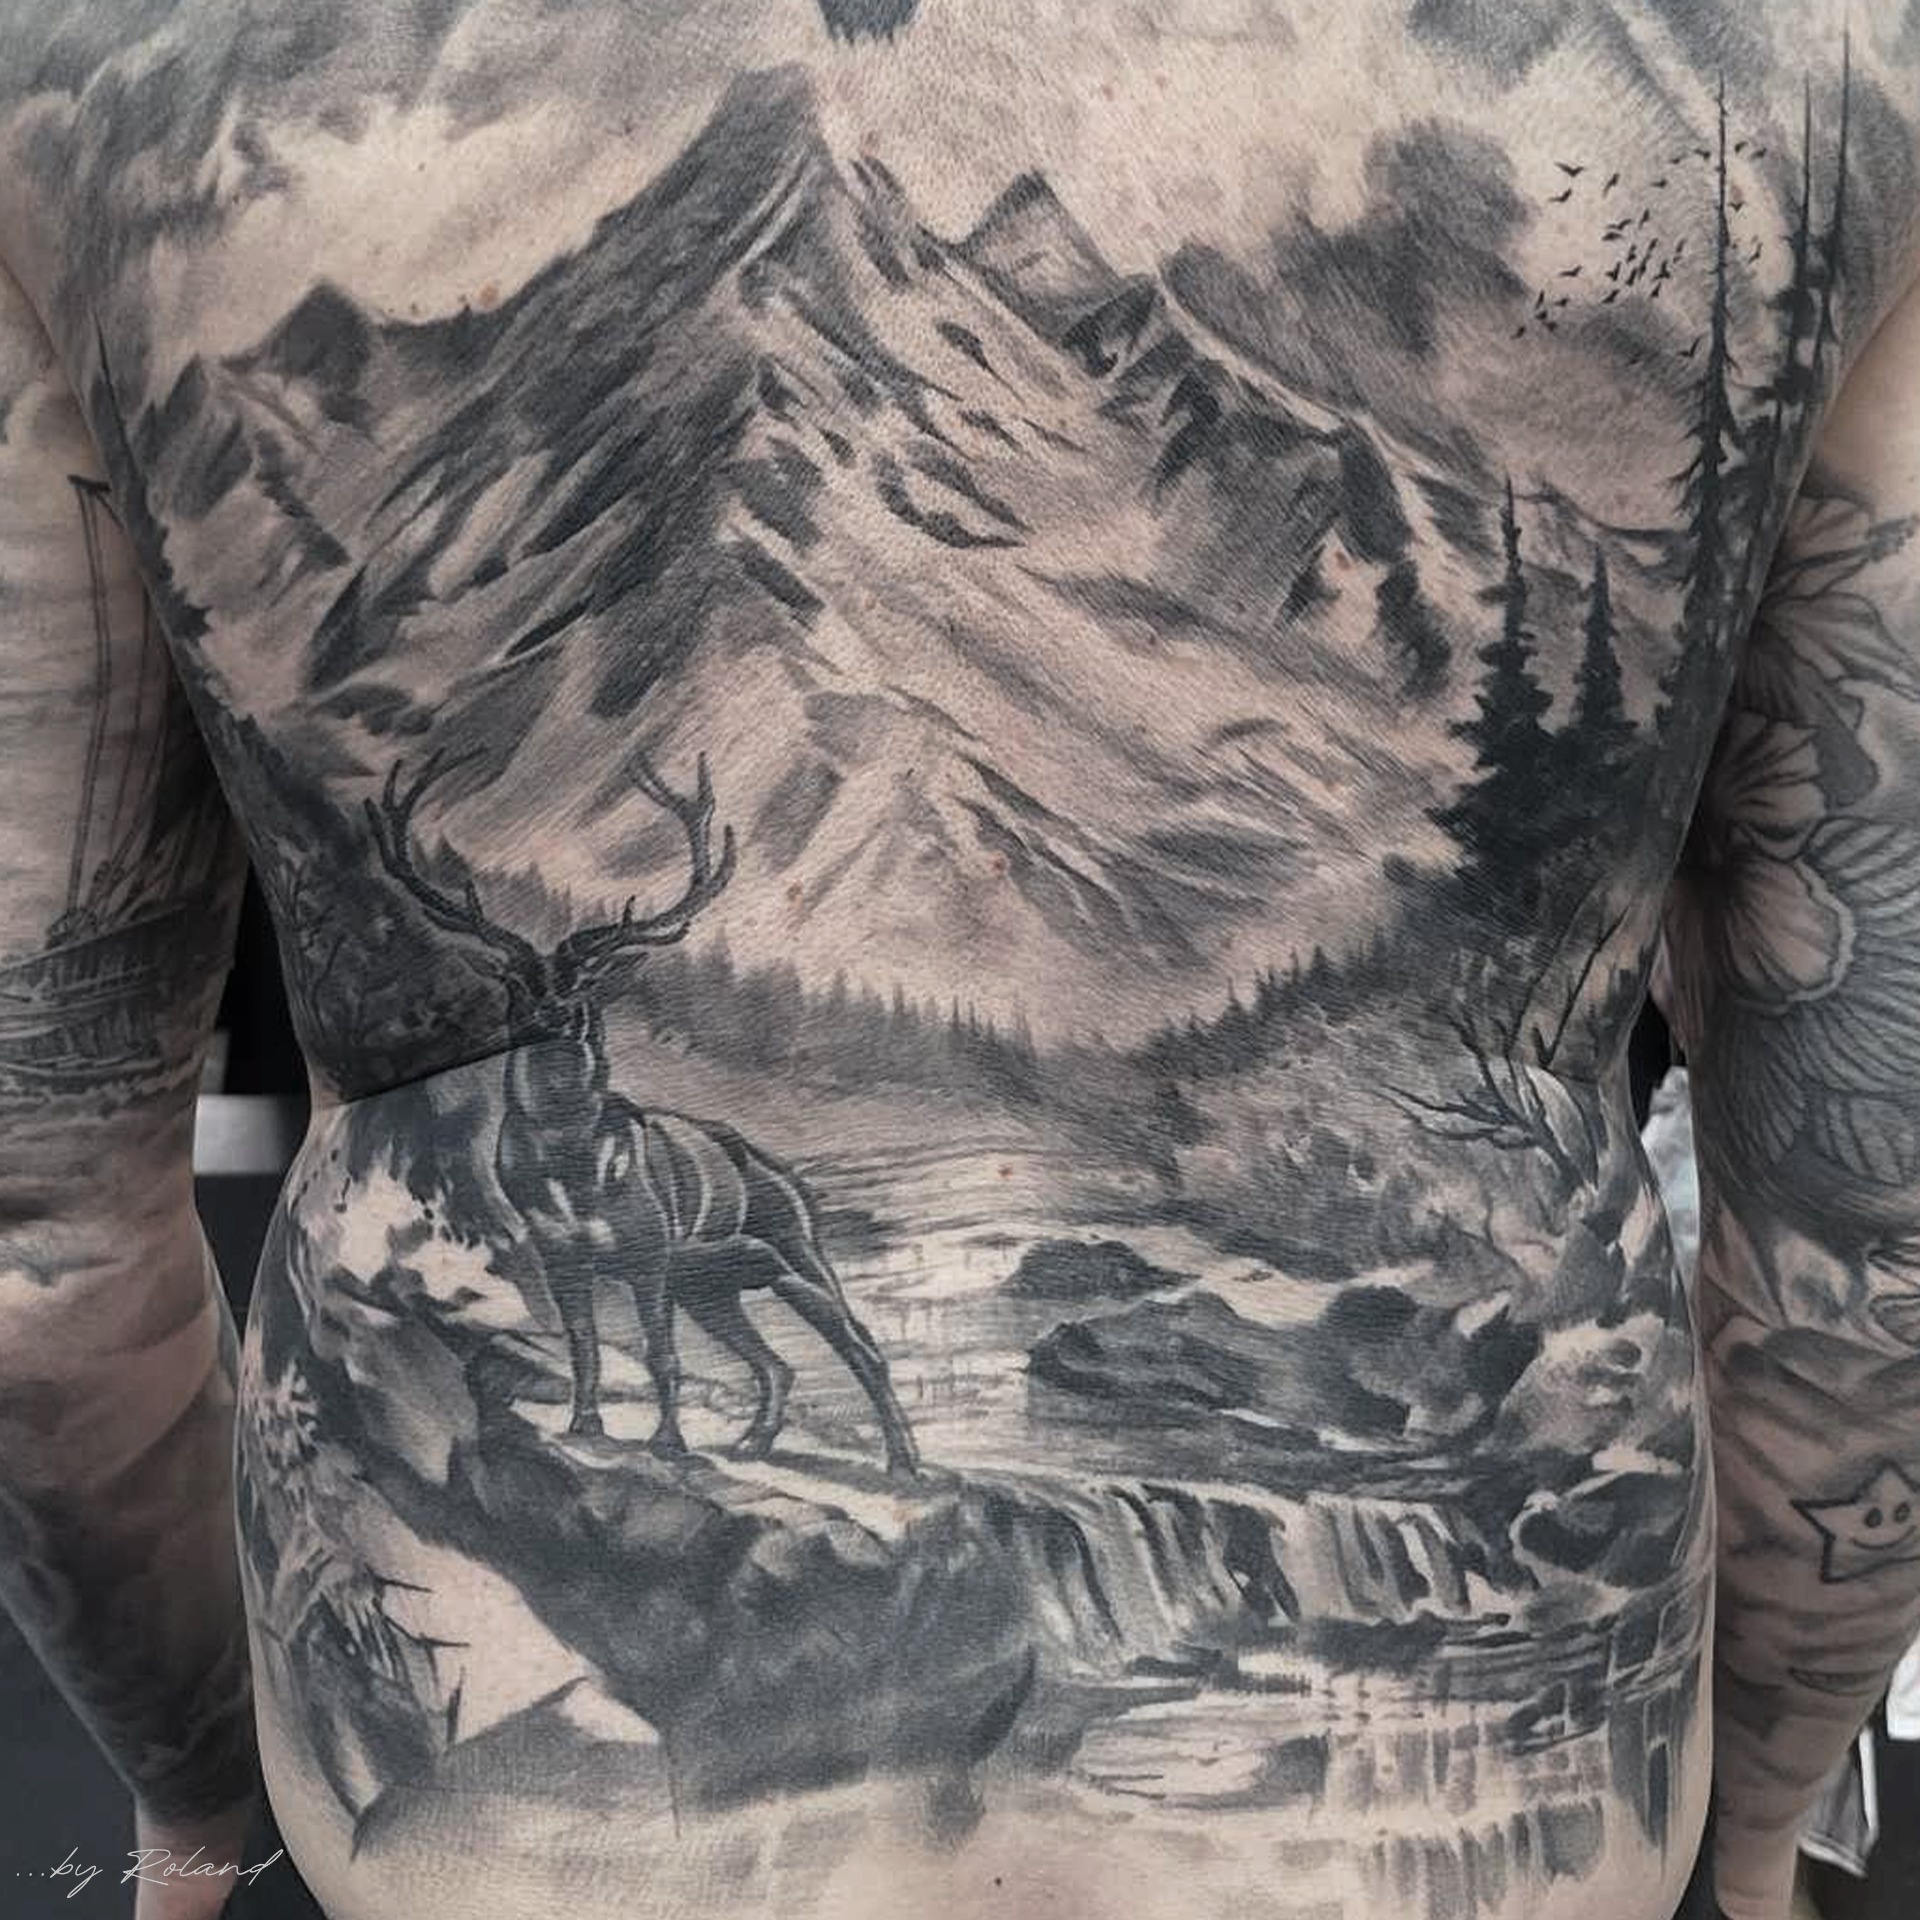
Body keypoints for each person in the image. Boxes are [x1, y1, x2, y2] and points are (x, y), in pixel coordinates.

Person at [0, 5, 1913, 1918]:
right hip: (1467, 1848)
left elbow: (44, 1253)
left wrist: (197, 1796)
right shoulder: (1826, 62)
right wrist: (1760, 1830)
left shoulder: (96, 66)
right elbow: (1871, 1235)